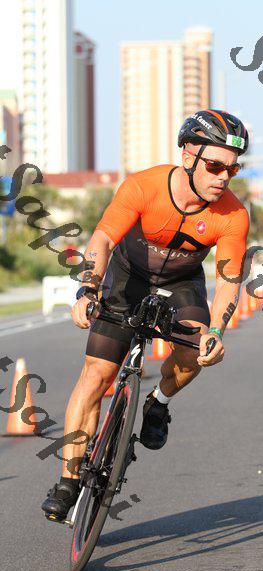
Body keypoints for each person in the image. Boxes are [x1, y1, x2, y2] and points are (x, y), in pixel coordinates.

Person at [42, 110, 250, 521]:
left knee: (195, 353)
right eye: (215, 166)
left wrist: (216, 331)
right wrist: (87, 289)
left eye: (233, 168)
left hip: (181, 283)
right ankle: (67, 481)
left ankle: (158, 402)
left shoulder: (233, 215)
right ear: (188, 155)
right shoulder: (144, 186)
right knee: (97, 375)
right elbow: (103, 239)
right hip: (128, 277)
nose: (224, 177)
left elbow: (229, 279)